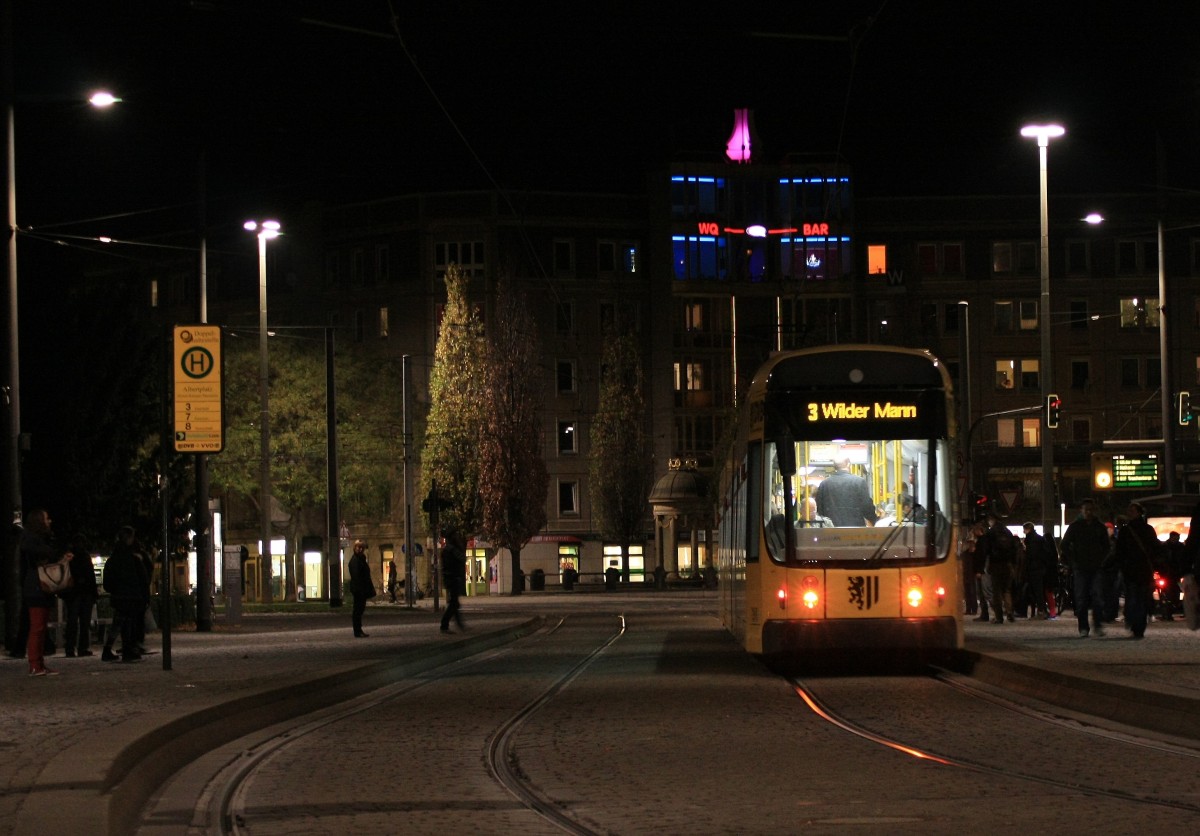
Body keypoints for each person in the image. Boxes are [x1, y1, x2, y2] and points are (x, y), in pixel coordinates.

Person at [1060, 499, 1111, 638]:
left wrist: (1101, 559)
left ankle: (1097, 625)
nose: (1088, 512)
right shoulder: (1076, 526)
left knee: (1097, 598)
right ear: (1081, 511)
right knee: (1081, 598)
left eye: (1090, 510)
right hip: (1080, 567)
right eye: (1086, 510)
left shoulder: (1099, 527)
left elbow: (1107, 546)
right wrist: (1073, 560)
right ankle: (1083, 627)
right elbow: (1064, 545)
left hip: (1095, 567)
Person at [20, 509, 62, 676]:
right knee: (37, 627)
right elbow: (43, 552)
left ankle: (39, 663)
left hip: (39, 587)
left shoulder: (35, 539)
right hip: (36, 588)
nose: (49, 521)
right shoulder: (30, 540)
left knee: (41, 627)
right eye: (46, 518)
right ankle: (35, 664)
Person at [102, 526, 149, 662]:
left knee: (119, 623)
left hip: (119, 597)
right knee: (130, 623)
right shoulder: (134, 558)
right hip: (132, 596)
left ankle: (109, 649)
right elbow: (143, 580)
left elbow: (107, 582)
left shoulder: (113, 558)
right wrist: (144, 598)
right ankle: (128, 650)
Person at [1113, 501, 1159, 640]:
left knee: (1133, 598)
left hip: (1131, 570)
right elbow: (1155, 549)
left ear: (1138, 512)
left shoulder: (1126, 531)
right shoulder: (1148, 529)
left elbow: (1119, 551)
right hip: (1144, 570)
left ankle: (1134, 624)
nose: (1130, 513)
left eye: (1132, 511)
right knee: (1143, 599)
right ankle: (1139, 626)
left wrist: (1122, 565)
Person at [62, 534, 98, 656]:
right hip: (82, 593)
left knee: (74, 622)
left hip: (75, 593)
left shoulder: (70, 557)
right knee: (83, 622)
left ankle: (71, 648)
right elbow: (91, 576)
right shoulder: (83, 556)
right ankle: (80, 648)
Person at [815, 456, 877, 527]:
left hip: (831, 530)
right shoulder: (859, 482)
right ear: (848, 464)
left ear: (834, 466)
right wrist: (873, 520)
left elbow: (819, 508)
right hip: (855, 529)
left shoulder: (824, 484)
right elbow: (867, 506)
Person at [979, 513, 1017, 623]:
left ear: (991, 520)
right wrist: (1012, 564)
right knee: (1006, 590)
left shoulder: (991, 532)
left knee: (996, 591)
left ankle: (999, 617)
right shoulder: (1007, 532)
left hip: (995, 564)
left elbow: (986, 550)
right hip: (1007, 565)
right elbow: (1013, 548)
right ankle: (1010, 613)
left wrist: (984, 566)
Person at [1021, 523, 1055, 619]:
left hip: (1034, 568)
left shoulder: (1031, 540)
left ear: (1028, 529)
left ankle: (1041, 611)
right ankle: (1042, 610)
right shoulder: (1039, 539)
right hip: (1041, 568)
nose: (1024, 532)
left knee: (1036, 591)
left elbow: (1031, 555)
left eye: (1025, 530)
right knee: (1039, 591)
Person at [440, 530, 467, 633]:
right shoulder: (452, 550)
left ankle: (459, 624)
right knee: (454, 603)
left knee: (454, 602)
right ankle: (444, 624)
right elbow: (462, 558)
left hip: (449, 578)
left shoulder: (446, 550)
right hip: (453, 578)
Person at [348, 540, 375, 637]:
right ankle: (357, 630)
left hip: (361, 588)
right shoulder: (355, 560)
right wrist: (361, 588)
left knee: (360, 609)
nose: (360, 549)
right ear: (354, 548)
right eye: (358, 547)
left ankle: (359, 630)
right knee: (358, 610)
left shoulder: (360, 559)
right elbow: (357, 576)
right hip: (358, 589)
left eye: (361, 548)